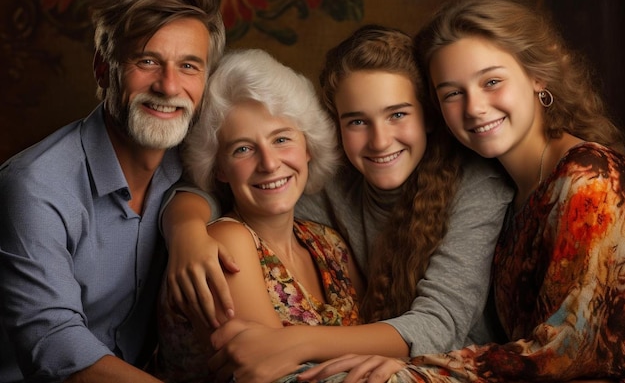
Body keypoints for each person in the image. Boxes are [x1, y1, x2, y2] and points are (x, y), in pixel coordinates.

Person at [303, 0, 625, 383]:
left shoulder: (587, 180)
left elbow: (570, 352)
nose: (473, 107)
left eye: (491, 81)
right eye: (453, 93)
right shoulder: (514, 183)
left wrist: (423, 367)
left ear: (537, 74)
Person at [160, 25, 513, 383]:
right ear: (336, 130)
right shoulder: (329, 186)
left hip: (458, 361)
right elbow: (220, 191)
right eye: (357, 121)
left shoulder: (472, 183)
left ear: (428, 116)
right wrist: (185, 228)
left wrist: (296, 342)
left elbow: (438, 323)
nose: (379, 140)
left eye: (398, 114)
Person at [0, 0, 225, 383]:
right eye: (147, 61)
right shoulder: (34, 187)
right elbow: (55, 348)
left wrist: (187, 226)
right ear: (104, 71)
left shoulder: (190, 158)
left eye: (189, 66)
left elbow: (236, 186)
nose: (169, 85)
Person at [155, 48, 362, 383]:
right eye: (243, 149)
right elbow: (276, 375)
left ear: (308, 147)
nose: (269, 164)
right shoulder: (226, 243)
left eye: (281, 139)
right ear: (219, 168)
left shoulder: (329, 244)